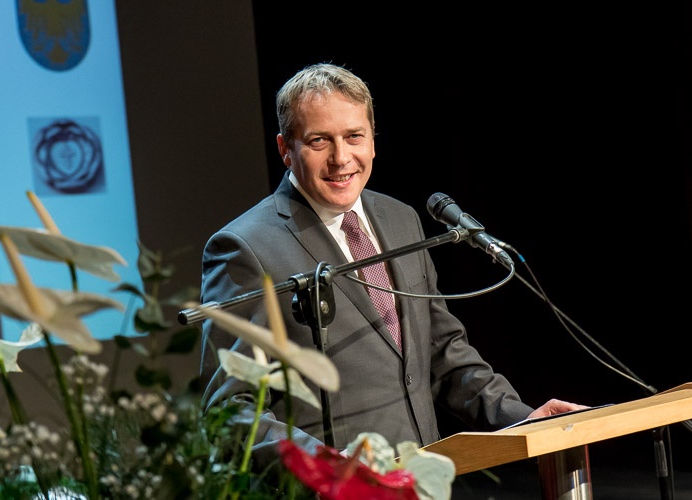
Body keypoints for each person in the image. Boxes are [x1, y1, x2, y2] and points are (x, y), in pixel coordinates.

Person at [198, 62, 586, 471]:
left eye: (354, 137)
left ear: (373, 141)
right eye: (319, 141)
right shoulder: (246, 248)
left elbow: (442, 353)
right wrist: (323, 467)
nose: (341, 158)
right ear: (285, 149)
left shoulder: (400, 220)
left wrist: (522, 419)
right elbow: (230, 410)